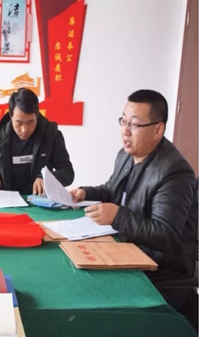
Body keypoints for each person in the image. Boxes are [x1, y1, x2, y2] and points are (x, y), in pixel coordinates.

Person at [70, 89, 197, 308]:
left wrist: (118, 216)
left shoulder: (175, 172)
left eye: (134, 125)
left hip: (161, 276)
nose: (125, 131)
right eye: (123, 121)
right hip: (128, 253)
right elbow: (112, 189)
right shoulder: (126, 155)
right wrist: (86, 192)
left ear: (158, 130)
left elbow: (166, 235)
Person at [0, 88, 74, 195]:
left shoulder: (50, 134)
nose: (24, 129)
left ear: (37, 115)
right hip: (8, 200)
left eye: (30, 122)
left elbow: (68, 172)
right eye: (18, 122)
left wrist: (45, 179)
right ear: (11, 116)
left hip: (39, 200)